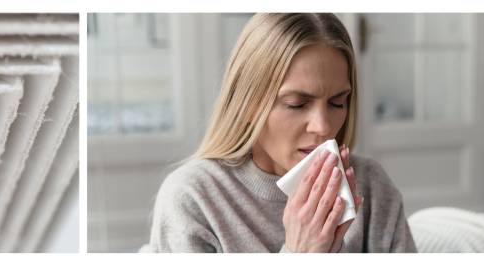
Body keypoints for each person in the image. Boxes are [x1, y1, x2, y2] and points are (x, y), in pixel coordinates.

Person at [146, 13, 417, 253]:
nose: (323, 127)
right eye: (296, 105)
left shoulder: (371, 186)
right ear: (248, 104)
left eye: (337, 103)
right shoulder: (194, 198)